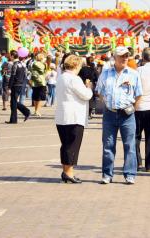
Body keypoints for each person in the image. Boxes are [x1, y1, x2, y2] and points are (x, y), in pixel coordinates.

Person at [96, 46, 143, 185]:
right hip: (110, 114)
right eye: (122, 56)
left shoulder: (133, 74)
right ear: (114, 58)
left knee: (129, 145)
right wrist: (106, 102)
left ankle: (129, 174)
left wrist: (133, 108)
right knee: (108, 145)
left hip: (127, 115)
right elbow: (99, 91)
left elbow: (139, 94)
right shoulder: (105, 73)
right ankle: (107, 174)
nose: (124, 58)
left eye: (126, 56)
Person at [55, 55, 93, 183]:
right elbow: (86, 95)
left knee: (66, 145)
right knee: (72, 146)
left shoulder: (61, 77)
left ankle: (66, 171)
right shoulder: (74, 79)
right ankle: (69, 173)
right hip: (74, 117)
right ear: (77, 65)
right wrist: (88, 87)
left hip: (62, 116)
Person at [6, 49, 31, 124]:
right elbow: (25, 76)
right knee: (13, 102)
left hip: (15, 85)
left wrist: (9, 87)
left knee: (13, 102)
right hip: (20, 84)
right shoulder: (23, 64)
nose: (10, 57)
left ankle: (25, 112)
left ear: (12, 56)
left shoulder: (15, 64)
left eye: (10, 55)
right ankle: (14, 119)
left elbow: (12, 76)